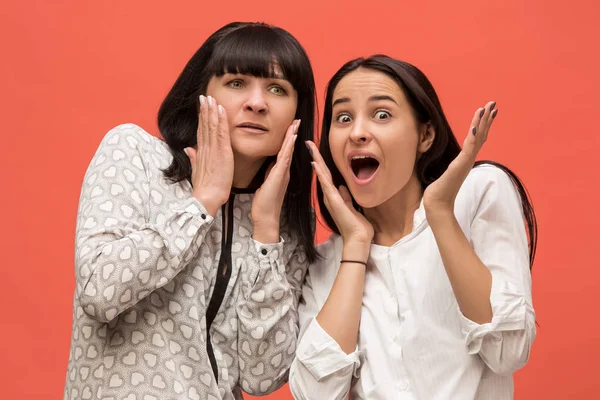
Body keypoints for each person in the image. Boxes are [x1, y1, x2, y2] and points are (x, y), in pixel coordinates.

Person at [64, 21, 318, 400]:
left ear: (297, 115)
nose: (257, 102)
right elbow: (100, 290)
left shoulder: (285, 224)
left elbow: (261, 376)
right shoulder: (135, 153)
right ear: (201, 94)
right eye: (236, 83)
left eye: (278, 89)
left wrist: (266, 234)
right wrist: (201, 204)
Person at [289, 55, 537, 399]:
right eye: (343, 117)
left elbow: (508, 351)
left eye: (382, 114)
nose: (358, 132)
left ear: (426, 135)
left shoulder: (480, 193)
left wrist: (440, 215)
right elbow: (314, 394)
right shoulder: (327, 262)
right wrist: (356, 247)